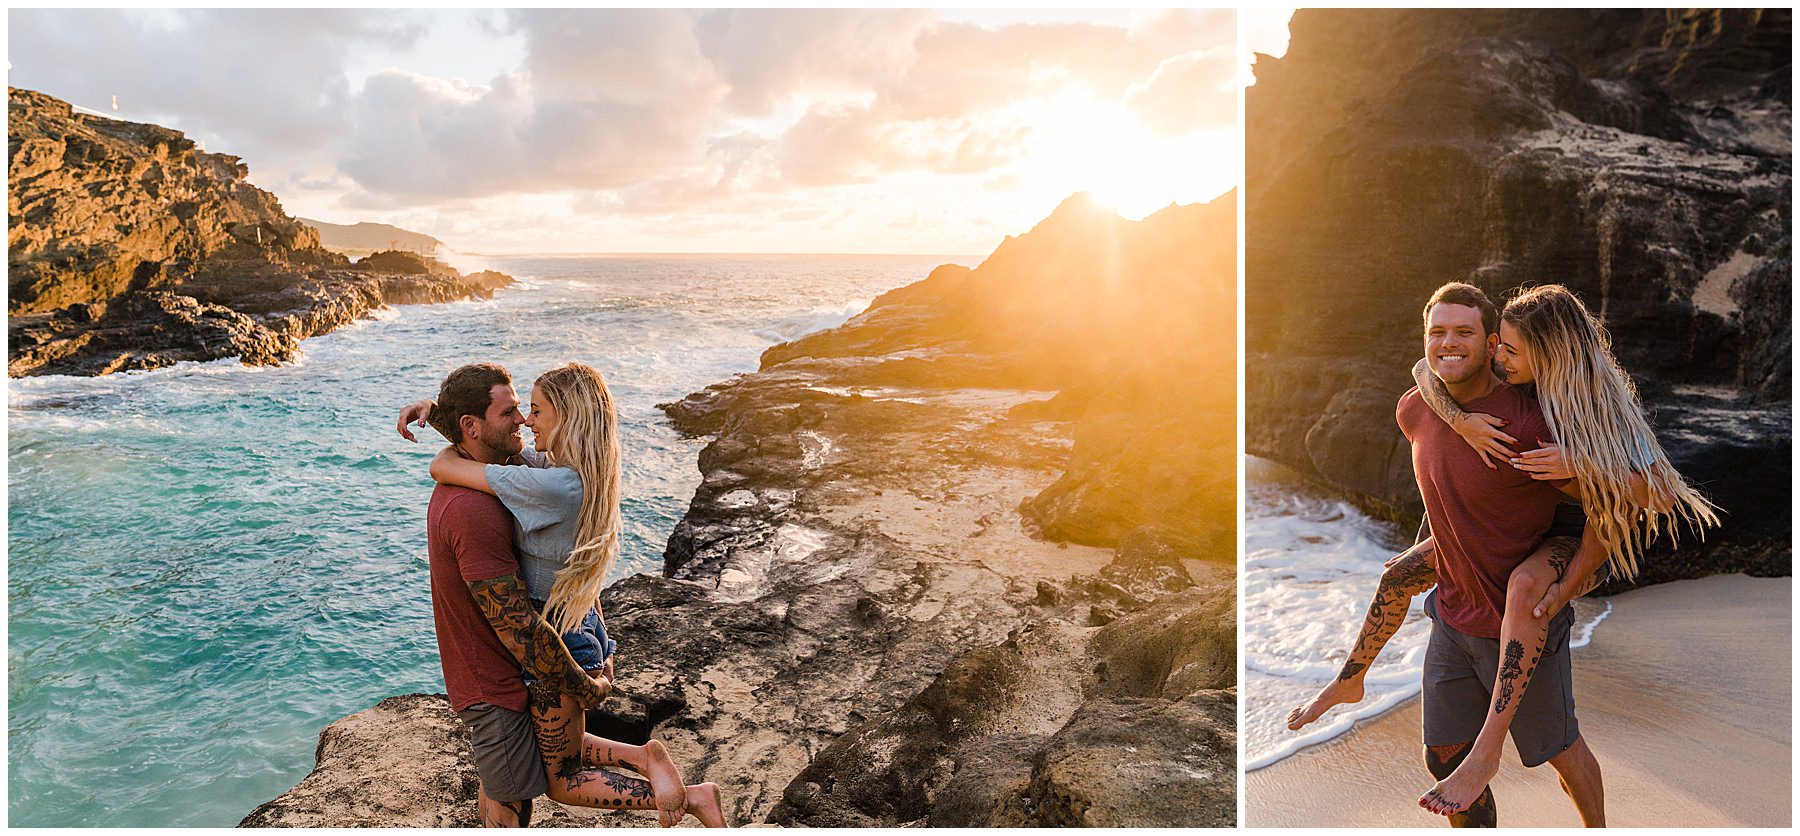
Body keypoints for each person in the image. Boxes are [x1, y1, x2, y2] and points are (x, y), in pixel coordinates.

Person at [1289, 283, 1713, 826]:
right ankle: (1351, 678)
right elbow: (1426, 373)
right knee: (1399, 579)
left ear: (1536, 351)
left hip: (1573, 530)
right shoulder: (1423, 403)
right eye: (1438, 333)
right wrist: (1461, 420)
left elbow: (1631, 505)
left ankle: (1578, 814)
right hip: (1465, 586)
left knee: (1552, 703)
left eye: (1507, 349)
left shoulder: (1576, 413)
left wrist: (1581, 464)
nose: (1500, 358)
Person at [409, 363, 725, 827]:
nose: (524, 421)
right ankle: (646, 758)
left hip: (557, 632)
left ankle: (693, 798)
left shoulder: (552, 485)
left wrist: (584, 682)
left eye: (532, 411)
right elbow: (491, 453)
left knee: (562, 778)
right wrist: (441, 413)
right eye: (517, 411)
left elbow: (448, 464)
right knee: (554, 747)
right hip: (579, 620)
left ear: (566, 419)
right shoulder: (567, 470)